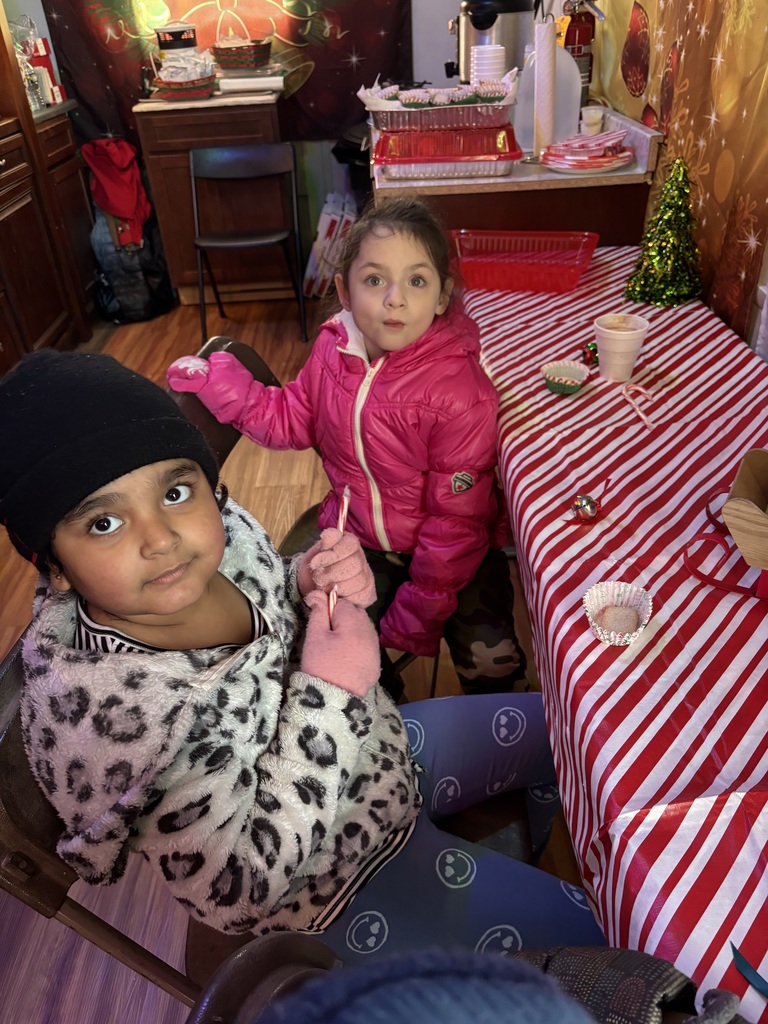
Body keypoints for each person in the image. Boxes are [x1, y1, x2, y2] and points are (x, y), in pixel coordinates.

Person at [0, 349, 605, 960]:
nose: (161, 538)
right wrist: (332, 694)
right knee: (612, 955)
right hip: (337, 882)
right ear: (54, 564)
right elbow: (239, 890)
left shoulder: (223, 533)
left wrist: (306, 580)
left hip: (389, 750)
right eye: (103, 523)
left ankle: (554, 831)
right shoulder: (112, 722)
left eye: (177, 490)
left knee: (581, 731)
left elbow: (269, 584)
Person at [167, 196, 526, 700]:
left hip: (454, 558)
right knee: (347, 664)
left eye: (416, 281)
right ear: (344, 290)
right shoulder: (333, 351)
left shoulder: (460, 393)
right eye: (375, 280)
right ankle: (381, 735)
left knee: (491, 660)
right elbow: (295, 418)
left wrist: (418, 610)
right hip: (355, 539)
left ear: (443, 296)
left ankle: (506, 750)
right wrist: (230, 391)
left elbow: (457, 523)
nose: (394, 299)